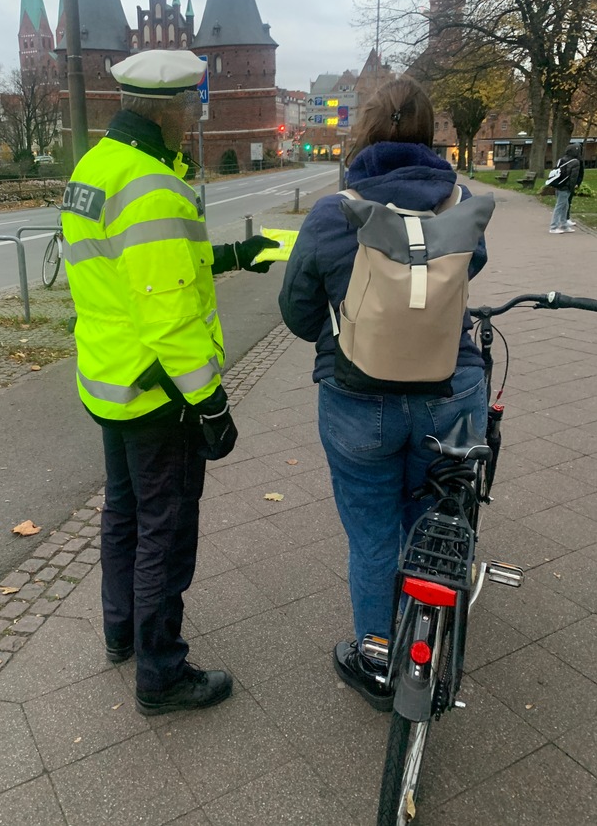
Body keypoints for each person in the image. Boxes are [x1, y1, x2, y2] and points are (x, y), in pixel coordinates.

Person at [61, 48, 277, 716]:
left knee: (123, 513)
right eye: (193, 107)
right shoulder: (152, 185)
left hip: (108, 383)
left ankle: (120, 630)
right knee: (165, 528)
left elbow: (147, 266)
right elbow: (169, 312)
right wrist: (210, 402)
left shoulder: (96, 169)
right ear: (173, 109)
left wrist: (235, 254)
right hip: (159, 396)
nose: (195, 120)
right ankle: (161, 670)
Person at [278, 75, 488, 711]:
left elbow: (294, 312)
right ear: (429, 136)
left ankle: (376, 657)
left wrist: (349, 325)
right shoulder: (462, 202)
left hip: (356, 401)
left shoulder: (331, 213)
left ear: (363, 134)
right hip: (449, 392)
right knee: (434, 517)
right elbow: (470, 266)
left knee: (371, 532)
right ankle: (437, 627)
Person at [550, 142, 584, 233]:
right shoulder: (576, 162)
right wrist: (573, 187)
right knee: (560, 206)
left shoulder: (561, 159)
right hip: (566, 187)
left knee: (564, 206)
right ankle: (553, 227)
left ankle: (564, 225)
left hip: (559, 185)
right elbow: (573, 177)